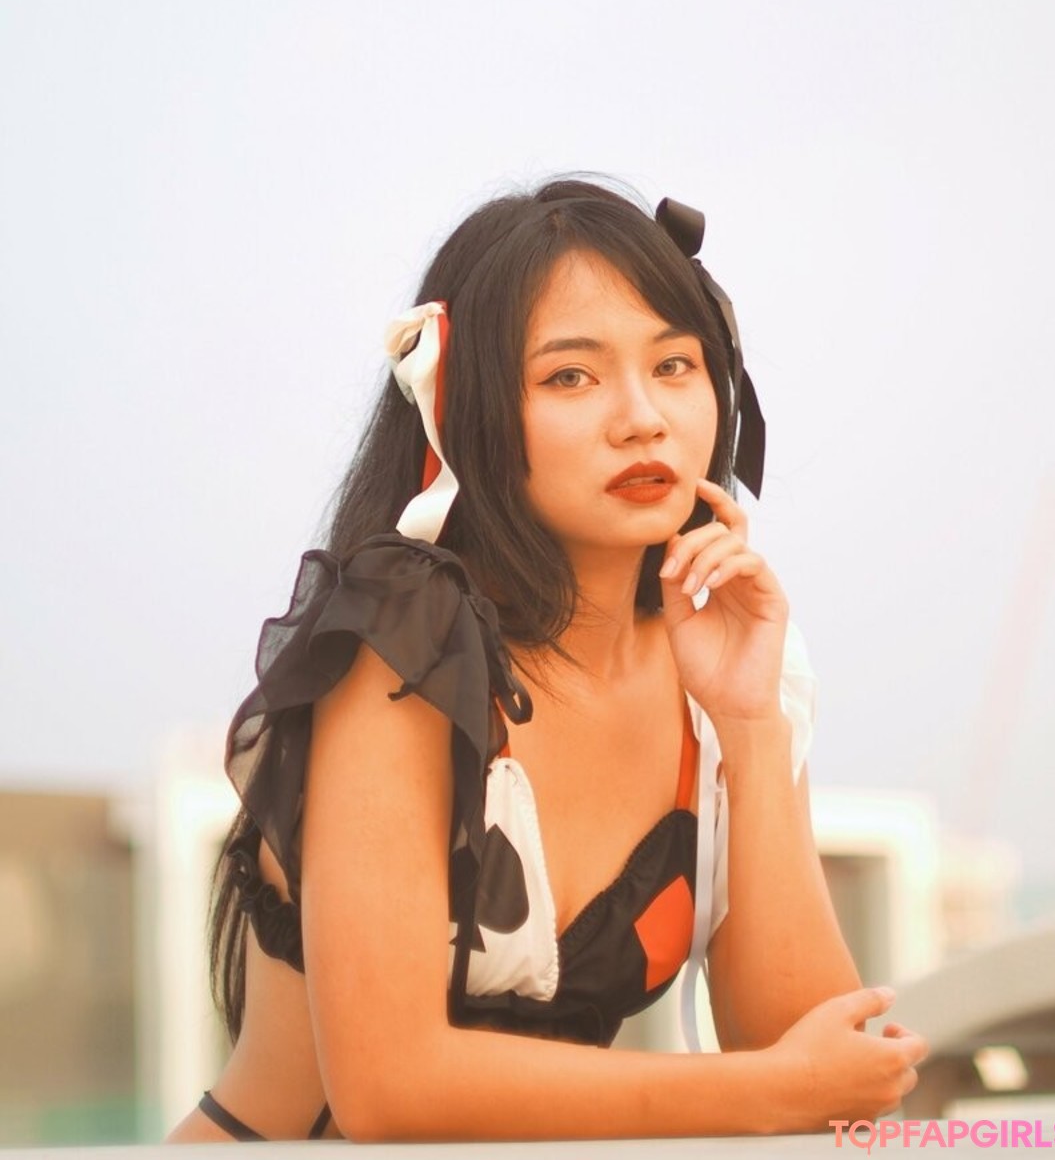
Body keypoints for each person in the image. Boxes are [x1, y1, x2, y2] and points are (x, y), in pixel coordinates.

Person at [166, 178, 927, 1142]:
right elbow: (391, 1087)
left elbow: (813, 1062)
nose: (642, 417)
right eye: (571, 377)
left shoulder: (730, 660)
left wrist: (750, 725)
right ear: (467, 404)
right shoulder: (402, 642)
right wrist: (772, 1087)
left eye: (676, 364)